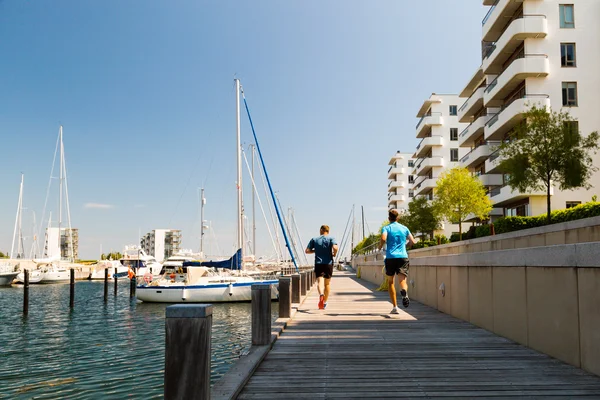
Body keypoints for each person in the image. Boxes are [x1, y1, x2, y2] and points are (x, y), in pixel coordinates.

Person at [378, 209, 415, 314]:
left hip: (390, 258)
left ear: (389, 218)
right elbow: (413, 241)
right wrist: (405, 246)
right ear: (398, 218)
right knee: (402, 281)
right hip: (403, 256)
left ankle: (395, 307)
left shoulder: (386, 228)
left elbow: (383, 238)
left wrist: (380, 246)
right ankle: (404, 293)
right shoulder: (404, 228)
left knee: (390, 282)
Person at [305, 225, 338, 310]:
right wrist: (334, 253)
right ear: (328, 231)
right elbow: (335, 247)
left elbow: (307, 251)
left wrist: (315, 250)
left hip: (318, 263)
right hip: (328, 263)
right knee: (327, 284)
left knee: (320, 281)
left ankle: (321, 295)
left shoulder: (314, 239)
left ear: (321, 230)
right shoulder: (331, 238)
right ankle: (324, 302)